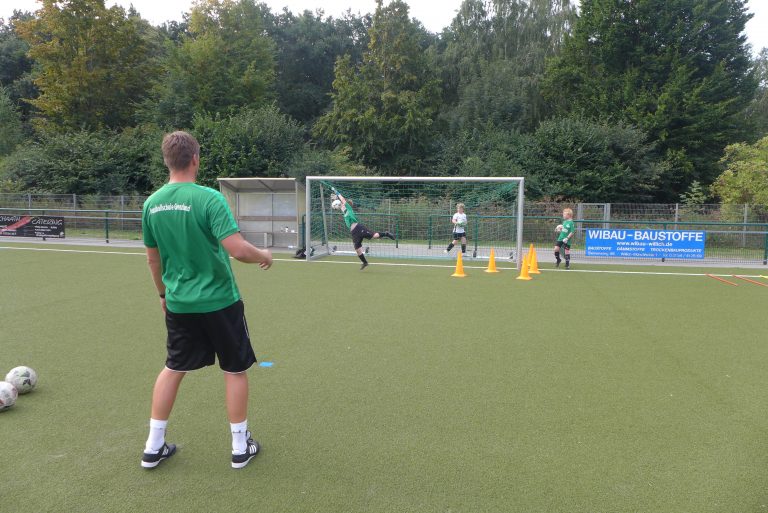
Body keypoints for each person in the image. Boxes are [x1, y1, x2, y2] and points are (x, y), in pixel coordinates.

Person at [140, 131, 272, 470]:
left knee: (174, 367)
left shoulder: (151, 204)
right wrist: (264, 254)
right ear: (195, 159)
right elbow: (238, 250)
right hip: (219, 302)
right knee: (235, 369)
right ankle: (240, 447)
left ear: (166, 160)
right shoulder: (209, 199)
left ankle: (153, 446)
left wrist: (162, 295)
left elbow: (153, 260)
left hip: (180, 303)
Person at [333, 189, 395, 270]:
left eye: (344, 203)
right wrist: (336, 199)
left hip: (358, 228)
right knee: (357, 250)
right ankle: (365, 263)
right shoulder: (345, 211)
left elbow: (343, 200)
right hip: (354, 233)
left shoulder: (349, 209)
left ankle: (386, 234)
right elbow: (341, 204)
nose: (343, 204)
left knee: (374, 236)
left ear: (348, 204)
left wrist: (336, 192)